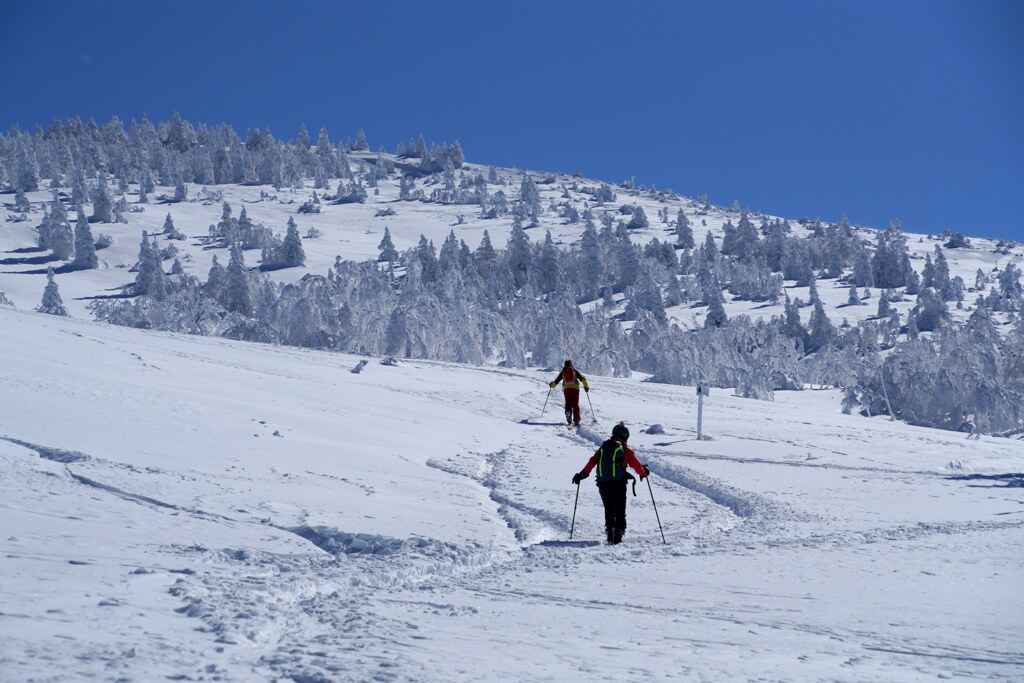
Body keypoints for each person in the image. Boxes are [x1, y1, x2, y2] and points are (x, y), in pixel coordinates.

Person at [572, 422, 649, 544]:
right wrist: (644, 473)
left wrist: (582, 475)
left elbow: (592, 461)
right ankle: (619, 533)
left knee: (608, 508)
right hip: (619, 484)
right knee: (619, 509)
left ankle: (610, 532)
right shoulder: (626, 451)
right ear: (626, 436)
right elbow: (638, 467)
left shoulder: (604, 448)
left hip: (603, 484)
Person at [549, 360, 589, 427]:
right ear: (571, 364)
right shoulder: (574, 371)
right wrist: (586, 386)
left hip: (566, 389)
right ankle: (576, 419)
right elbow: (583, 378)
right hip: (575, 389)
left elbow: (556, 381)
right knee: (575, 404)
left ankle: (568, 415)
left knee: (568, 403)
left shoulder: (563, 372)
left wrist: (551, 385)